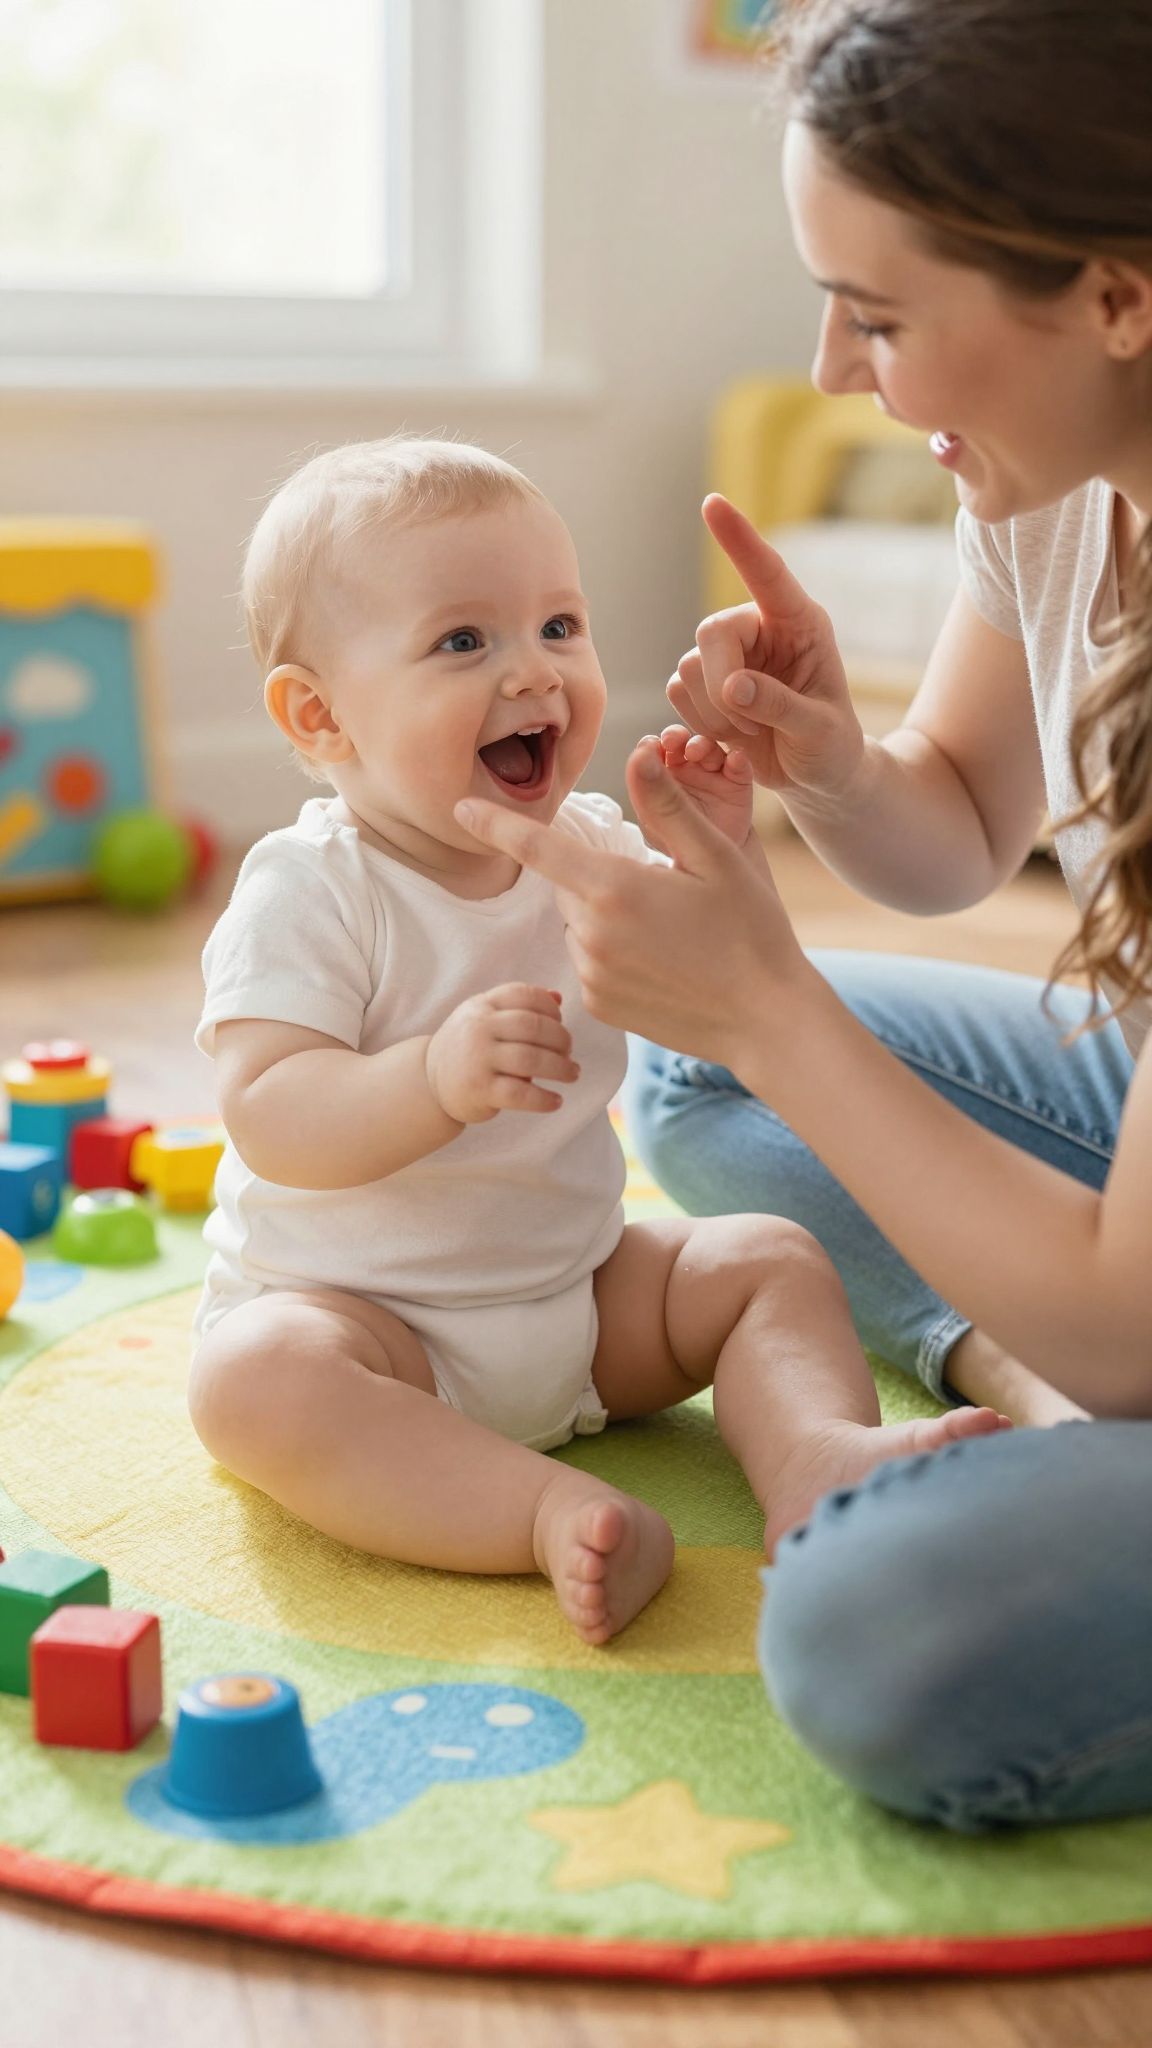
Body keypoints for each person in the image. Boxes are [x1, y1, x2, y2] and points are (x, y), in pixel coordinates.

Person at [454, 0, 1152, 1822]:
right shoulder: (1070, 485)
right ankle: (996, 1360)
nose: (835, 370)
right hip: (1122, 1197)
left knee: (880, 1635)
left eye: (882, 315)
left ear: (1111, 294)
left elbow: (1132, 1327)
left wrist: (764, 994)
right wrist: (834, 764)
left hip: (1132, 1299)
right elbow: (967, 827)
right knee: (688, 1085)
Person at [186, 437, 1001, 1650]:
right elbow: (270, 1112)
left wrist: (722, 851)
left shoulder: (597, 843)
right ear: (321, 714)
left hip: (576, 1300)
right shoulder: (311, 888)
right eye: (465, 641)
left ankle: (818, 1462)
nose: (535, 672)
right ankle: (543, 1510)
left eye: (559, 625)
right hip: (374, 1330)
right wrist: (430, 1077)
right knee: (250, 1381)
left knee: (768, 1256)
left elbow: (733, 982)